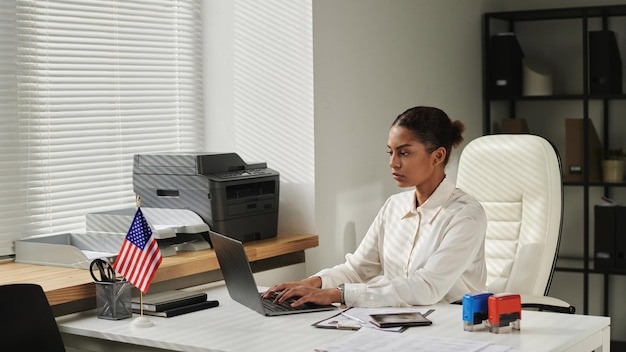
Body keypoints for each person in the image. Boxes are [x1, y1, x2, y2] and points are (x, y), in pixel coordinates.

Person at [263, 106, 487, 308]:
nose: (393, 163)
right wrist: (311, 283)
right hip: (398, 322)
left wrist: (335, 295)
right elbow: (357, 269)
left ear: (438, 156)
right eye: (390, 152)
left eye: (404, 152)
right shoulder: (394, 206)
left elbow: (426, 287)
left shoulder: (466, 215)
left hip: (454, 325)